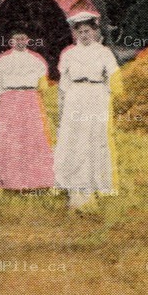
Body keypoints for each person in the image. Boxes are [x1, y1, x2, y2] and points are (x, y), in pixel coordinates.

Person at [54, 12, 119, 209]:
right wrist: (64, 102)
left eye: (88, 31)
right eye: (80, 32)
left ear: (95, 31)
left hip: (96, 96)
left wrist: (106, 97)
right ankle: (74, 188)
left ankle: (92, 187)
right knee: (74, 138)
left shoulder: (104, 52)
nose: (84, 35)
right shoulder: (69, 54)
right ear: (74, 34)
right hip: (75, 96)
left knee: (94, 138)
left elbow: (112, 78)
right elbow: (63, 82)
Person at [0, 31, 55, 191]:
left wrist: (31, 95)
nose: (20, 42)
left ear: (28, 40)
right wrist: (3, 100)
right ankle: (10, 180)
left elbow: (43, 85)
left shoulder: (36, 60)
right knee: (11, 139)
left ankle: (36, 180)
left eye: (23, 39)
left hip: (30, 98)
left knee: (32, 137)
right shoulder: (2, 61)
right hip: (9, 100)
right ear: (11, 41)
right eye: (16, 39)